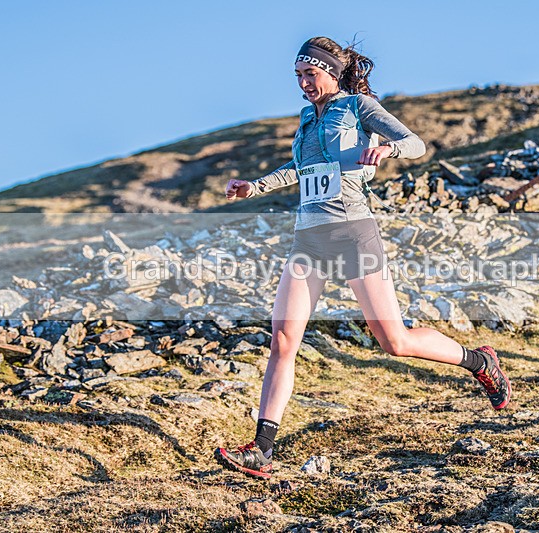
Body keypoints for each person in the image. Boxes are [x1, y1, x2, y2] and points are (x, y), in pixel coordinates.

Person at [214, 36, 511, 480]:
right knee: (283, 342)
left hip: (355, 233)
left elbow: (416, 144)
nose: (303, 84)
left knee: (394, 342)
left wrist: (388, 148)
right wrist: (253, 187)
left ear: (331, 72)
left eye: (309, 74)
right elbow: (301, 170)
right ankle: (262, 450)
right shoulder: (305, 117)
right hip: (308, 239)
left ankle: (478, 361)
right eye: (297, 76)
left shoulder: (357, 108)